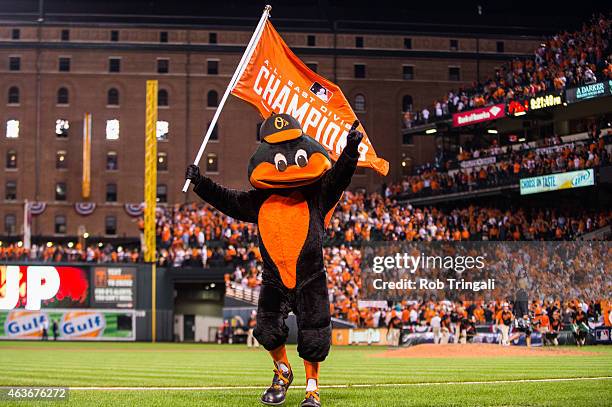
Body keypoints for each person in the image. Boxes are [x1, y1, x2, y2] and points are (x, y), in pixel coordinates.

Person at [186, 113, 362, 407]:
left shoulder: (317, 195)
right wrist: (201, 183)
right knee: (266, 329)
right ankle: (282, 371)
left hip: (310, 277)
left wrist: (350, 150)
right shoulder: (259, 201)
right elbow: (228, 199)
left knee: (314, 333)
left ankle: (312, 389)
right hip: (274, 278)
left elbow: (339, 176)